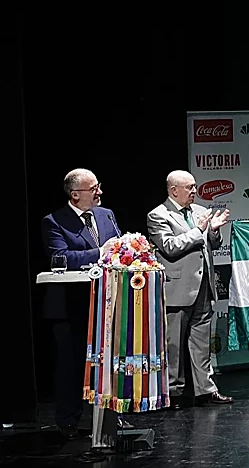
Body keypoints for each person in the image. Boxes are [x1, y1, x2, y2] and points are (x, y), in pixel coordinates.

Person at [40, 169, 122, 435]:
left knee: (110, 364)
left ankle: (111, 418)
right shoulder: (53, 221)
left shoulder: (106, 214)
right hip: (70, 306)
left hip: (106, 304)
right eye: (93, 188)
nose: (100, 192)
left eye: (99, 186)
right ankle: (68, 421)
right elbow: (60, 257)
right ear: (75, 195)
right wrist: (100, 252)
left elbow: (118, 248)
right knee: (70, 365)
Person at [146, 170, 234, 406]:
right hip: (177, 289)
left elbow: (213, 244)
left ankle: (206, 389)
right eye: (190, 187)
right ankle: (174, 392)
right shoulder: (158, 215)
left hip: (203, 284)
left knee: (202, 341)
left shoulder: (200, 212)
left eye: (195, 187)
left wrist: (214, 230)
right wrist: (198, 231)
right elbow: (169, 246)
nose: (195, 191)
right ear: (174, 190)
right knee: (173, 344)